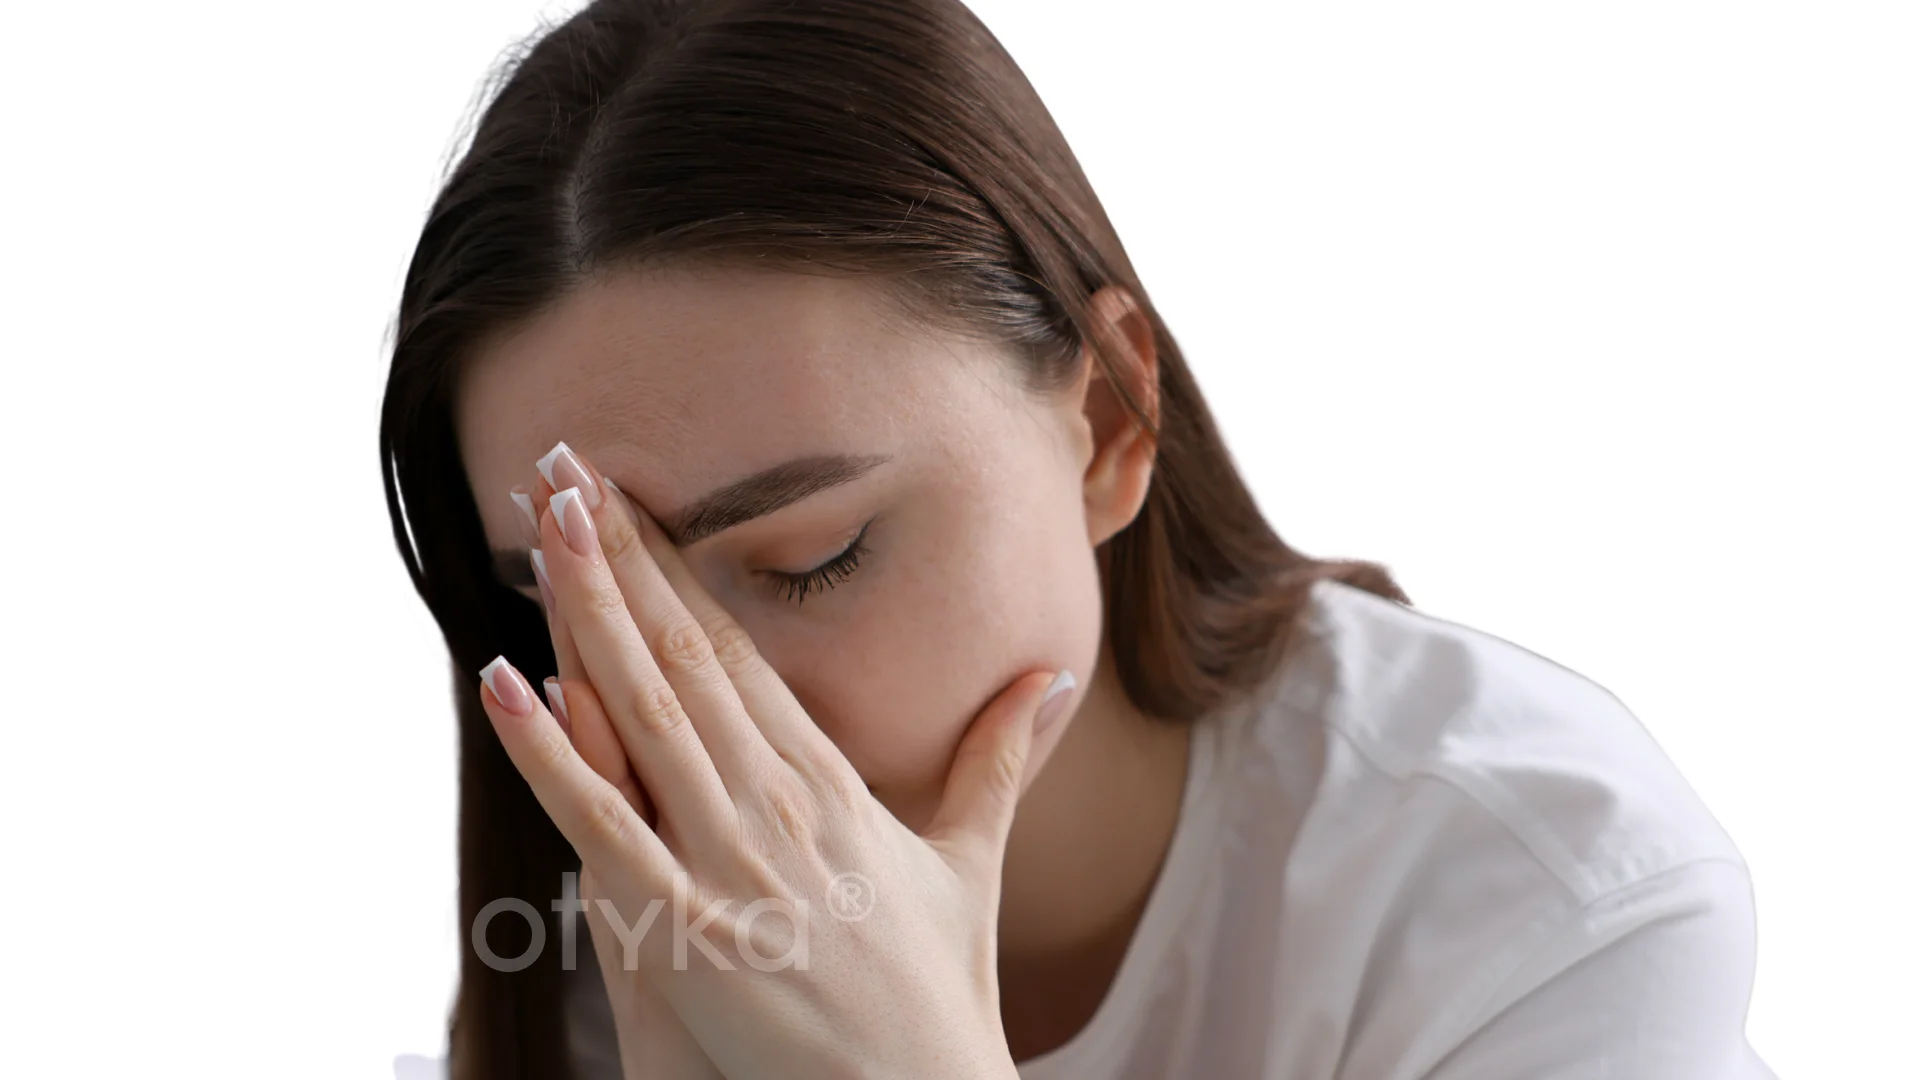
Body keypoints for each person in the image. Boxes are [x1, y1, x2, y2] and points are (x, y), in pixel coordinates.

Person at [379, 1, 1776, 1077]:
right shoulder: (594, 953)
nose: (700, 714)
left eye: (815, 555)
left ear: (1108, 419)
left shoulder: (1541, 909)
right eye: (579, 613)